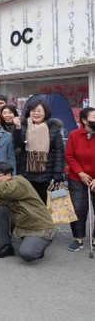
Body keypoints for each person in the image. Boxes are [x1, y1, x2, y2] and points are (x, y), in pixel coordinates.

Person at [0, 162, 54, 262]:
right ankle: (6, 246)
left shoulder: (18, 182)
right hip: (22, 224)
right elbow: (0, 221)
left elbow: (5, 190)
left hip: (38, 226)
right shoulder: (0, 188)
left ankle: (40, 244)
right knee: (1, 210)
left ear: (8, 175)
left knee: (27, 254)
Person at [12, 99, 65, 204]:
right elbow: (18, 143)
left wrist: (58, 173)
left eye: (39, 111)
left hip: (47, 175)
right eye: (33, 111)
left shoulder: (53, 129)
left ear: (46, 113)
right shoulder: (23, 126)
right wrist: (18, 128)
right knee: (29, 205)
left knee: (46, 205)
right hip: (26, 174)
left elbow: (59, 152)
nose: (36, 113)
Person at [64, 107, 95, 252]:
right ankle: (78, 238)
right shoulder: (74, 135)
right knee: (78, 208)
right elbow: (69, 155)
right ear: (84, 120)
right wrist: (80, 173)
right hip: (77, 177)